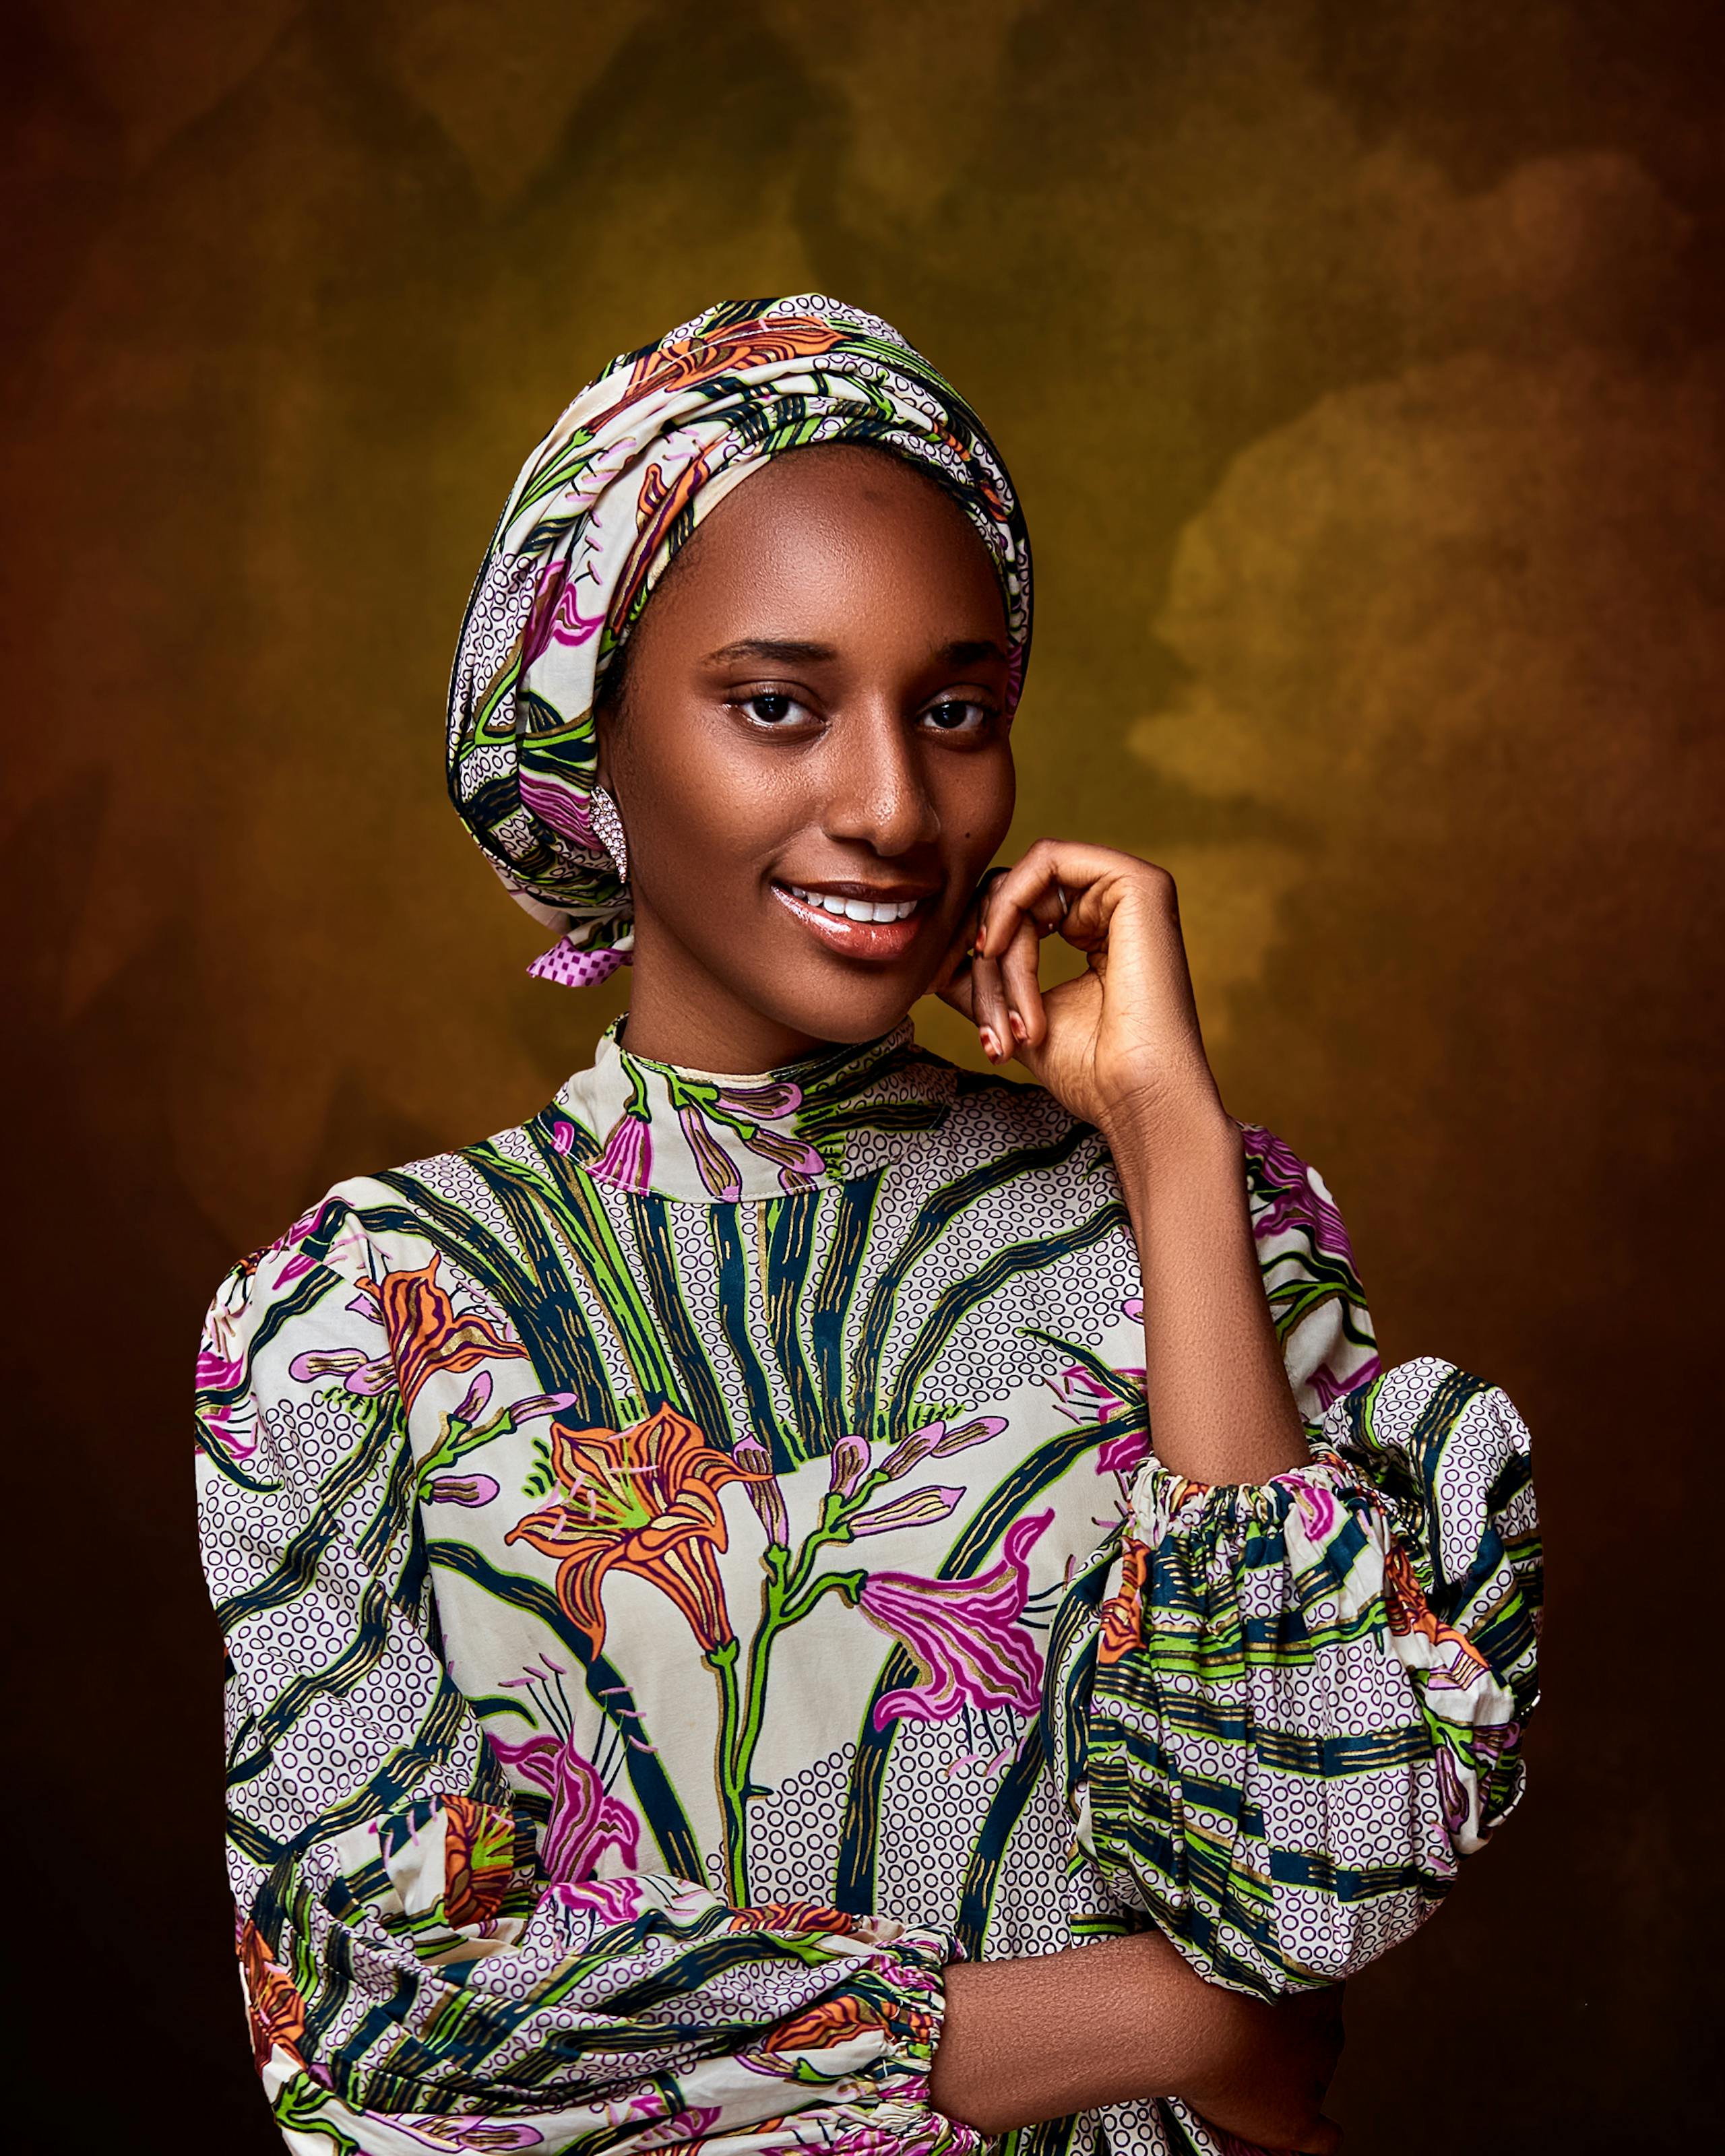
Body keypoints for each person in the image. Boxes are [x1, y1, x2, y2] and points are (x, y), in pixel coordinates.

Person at [195, 295, 1541, 2155]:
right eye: (778, 706)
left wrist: (1167, 1140)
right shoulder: (358, 1321)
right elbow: (394, 2036)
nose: (897, 808)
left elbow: (1310, 1873)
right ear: (589, 744)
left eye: (956, 711)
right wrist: (1158, 2015)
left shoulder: (1197, 1232)